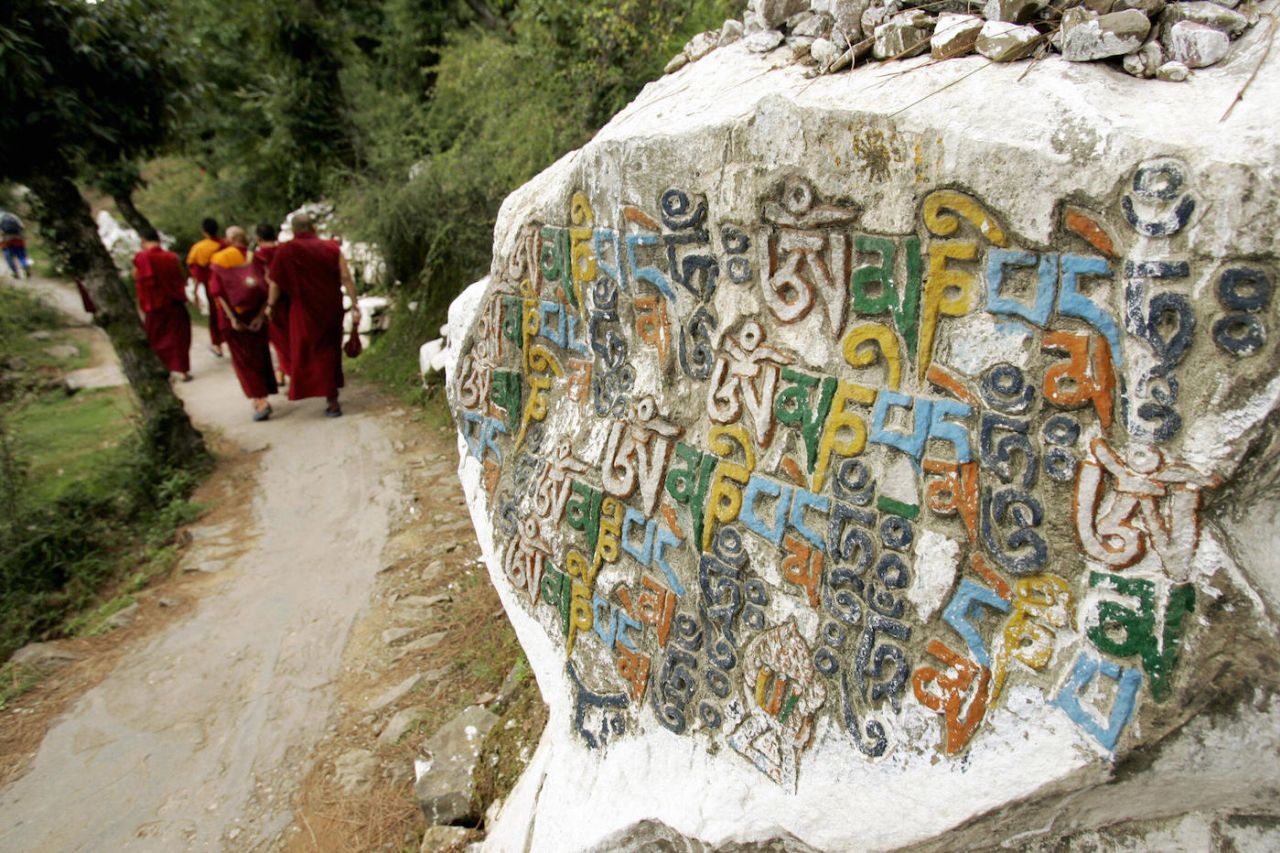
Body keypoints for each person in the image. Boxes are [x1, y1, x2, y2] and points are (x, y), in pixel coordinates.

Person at [266, 213, 360, 417]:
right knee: (329, 350)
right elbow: (345, 276)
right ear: (313, 228)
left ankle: (312, 388)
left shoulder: (286, 250)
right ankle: (332, 398)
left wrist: (270, 305)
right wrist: (355, 304)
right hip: (331, 307)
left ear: (293, 231)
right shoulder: (331, 247)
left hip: (303, 310)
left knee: (308, 350)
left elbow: (275, 283)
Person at [210, 227, 277, 420]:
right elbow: (267, 287)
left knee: (243, 360)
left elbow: (218, 292)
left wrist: (232, 318)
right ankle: (262, 395)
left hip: (235, 318)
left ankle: (259, 400)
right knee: (260, 354)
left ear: (229, 239)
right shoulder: (254, 258)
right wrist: (260, 316)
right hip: (256, 315)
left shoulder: (220, 259)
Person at [132, 226, 192, 381]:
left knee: (157, 338)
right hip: (175, 302)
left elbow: (139, 278)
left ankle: (165, 370)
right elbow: (181, 277)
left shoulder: (142, 257)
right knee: (179, 336)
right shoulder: (172, 257)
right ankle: (183, 371)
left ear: (143, 241)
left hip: (155, 304)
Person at [252, 223, 290, 387]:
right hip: (290, 298)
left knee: (280, 341)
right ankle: (281, 371)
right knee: (290, 337)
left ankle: (288, 372)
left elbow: (260, 280)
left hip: (271, 301)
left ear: (258, 239)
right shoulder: (285, 250)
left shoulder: (258, 256)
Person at [185, 217, 227, 357]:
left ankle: (217, 345)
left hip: (211, 285)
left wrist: (196, 290)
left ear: (203, 231)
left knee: (215, 315)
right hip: (228, 284)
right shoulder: (226, 245)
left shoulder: (199, 248)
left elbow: (196, 270)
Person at [1, 211, 32, 279]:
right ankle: (27, 268)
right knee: (23, 256)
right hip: (19, 239)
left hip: (7, 240)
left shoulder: (1, 218)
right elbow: (22, 227)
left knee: (8, 257)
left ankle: (15, 272)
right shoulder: (14, 216)